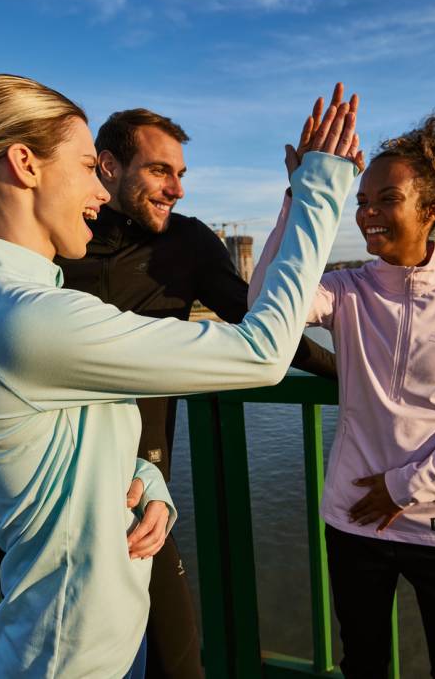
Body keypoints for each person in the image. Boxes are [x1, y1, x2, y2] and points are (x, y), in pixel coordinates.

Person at [0, 74, 360, 678]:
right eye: (87, 166)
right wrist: (320, 190)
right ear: (25, 164)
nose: (96, 186)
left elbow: (65, 431)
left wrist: (146, 481)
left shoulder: (9, 303)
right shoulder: (25, 318)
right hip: (65, 661)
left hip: (98, 639)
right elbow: (263, 353)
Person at [55, 107, 340, 679]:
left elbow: (261, 327)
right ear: (107, 166)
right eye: (161, 170)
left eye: (181, 173)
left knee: (177, 659)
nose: (178, 189)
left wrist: (344, 372)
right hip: (51, 493)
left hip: (140, 492)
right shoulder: (57, 243)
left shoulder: (186, 243)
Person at [249, 101, 435, 679]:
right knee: (364, 664)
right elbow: (266, 304)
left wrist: (405, 485)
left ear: (431, 210)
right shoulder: (346, 290)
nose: (368, 213)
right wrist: (298, 198)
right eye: (362, 201)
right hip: (353, 519)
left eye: (386, 200)